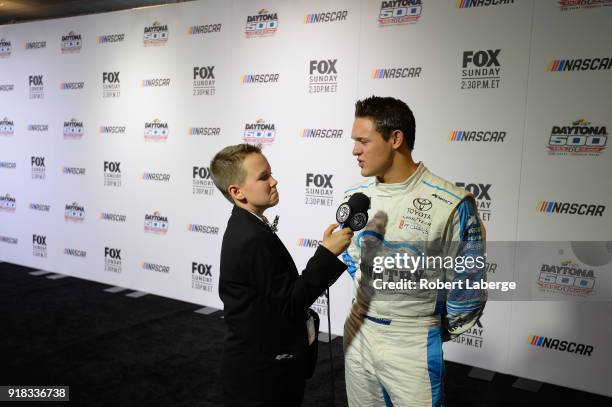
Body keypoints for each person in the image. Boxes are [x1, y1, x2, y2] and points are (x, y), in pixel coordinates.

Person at [342, 96, 487, 407]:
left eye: (363, 141)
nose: (354, 150)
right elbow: (352, 260)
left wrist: (427, 327)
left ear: (396, 138)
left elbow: (468, 286)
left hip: (413, 340)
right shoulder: (355, 197)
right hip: (357, 333)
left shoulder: (452, 202)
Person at [209, 144, 353, 407]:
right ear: (237, 191)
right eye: (263, 177)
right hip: (262, 377)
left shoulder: (248, 226)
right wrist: (326, 255)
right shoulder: (250, 238)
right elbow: (288, 305)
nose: (274, 181)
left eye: (270, 173)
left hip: (261, 368)